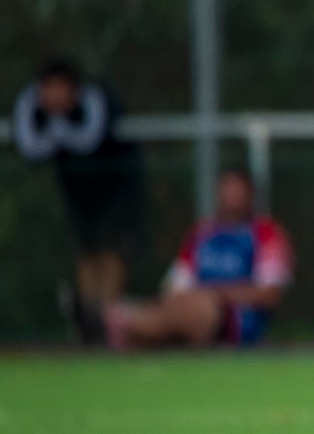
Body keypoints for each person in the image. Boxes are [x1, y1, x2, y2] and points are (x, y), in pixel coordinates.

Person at [12, 59, 146, 336]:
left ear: (73, 88)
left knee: (112, 248)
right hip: (78, 191)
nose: (54, 95)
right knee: (86, 249)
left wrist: (57, 130)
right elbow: (30, 148)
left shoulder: (96, 101)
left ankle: (109, 322)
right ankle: (89, 320)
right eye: (48, 88)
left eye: (60, 87)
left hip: (116, 184)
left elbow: (88, 140)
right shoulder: (31, 104)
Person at [101, 167, 293, 349]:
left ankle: (134, 326)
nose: (232, 198)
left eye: (238, 191)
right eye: (228, 190)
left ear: (250, 195)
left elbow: (269, 293)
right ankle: (135, 325)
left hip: (232, 320)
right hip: (188, 309)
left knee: (203, 310)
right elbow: (175, 286)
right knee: (179, 309)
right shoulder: (202, 234)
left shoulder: (266, 234)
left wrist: (216, 295)